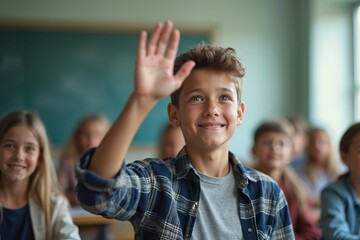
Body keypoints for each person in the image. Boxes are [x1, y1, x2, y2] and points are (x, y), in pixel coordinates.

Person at [75, 20, 294, 239]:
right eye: (196, 98)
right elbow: (98, 195)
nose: (212, 109)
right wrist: (140, 101)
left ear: (239, 113)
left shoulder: (267, 193)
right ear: (174, 114)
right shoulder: (156, 183)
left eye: (224, 97)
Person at [0, 110, 80, 240]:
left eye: (29, 148)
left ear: (40, 158)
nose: (19, 156)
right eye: (9, 146)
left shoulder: (54, 205)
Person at [252, 119, 321, 240]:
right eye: (267, 143)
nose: (275, 148)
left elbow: (312, 233)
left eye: (282, 144)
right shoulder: (243, 184)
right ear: (254, 150)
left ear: (291, 154)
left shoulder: (296, 190)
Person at [57, 114, 109, 206]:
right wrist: (75, 198)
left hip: (103, 217)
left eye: (97, 135)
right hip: (78, 216)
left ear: (108, 137)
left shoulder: (112, 162)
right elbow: (56, 193)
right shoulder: (68, 161)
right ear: (77, 137)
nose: (91, 140)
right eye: (86, 134)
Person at [296, 127, 342, 212]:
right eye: (313, 142)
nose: (317, 146)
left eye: (322, 142)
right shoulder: (300, 172)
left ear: (329, 144)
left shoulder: (341, 170)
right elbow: (303, 199)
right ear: (308, 146)